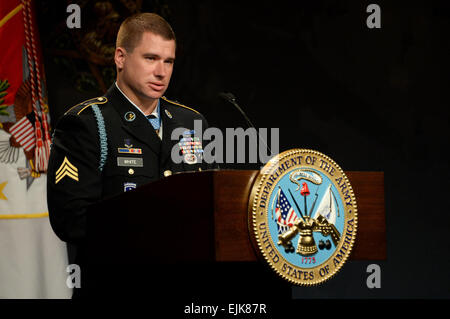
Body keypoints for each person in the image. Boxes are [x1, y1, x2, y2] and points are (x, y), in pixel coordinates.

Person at [47, 13, 214, 298]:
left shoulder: (192, 122)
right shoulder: (87, 123)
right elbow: (71, 220)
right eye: (150, 58)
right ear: (121, 58)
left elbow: (214, 203)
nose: (161, 72)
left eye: (169, 61)